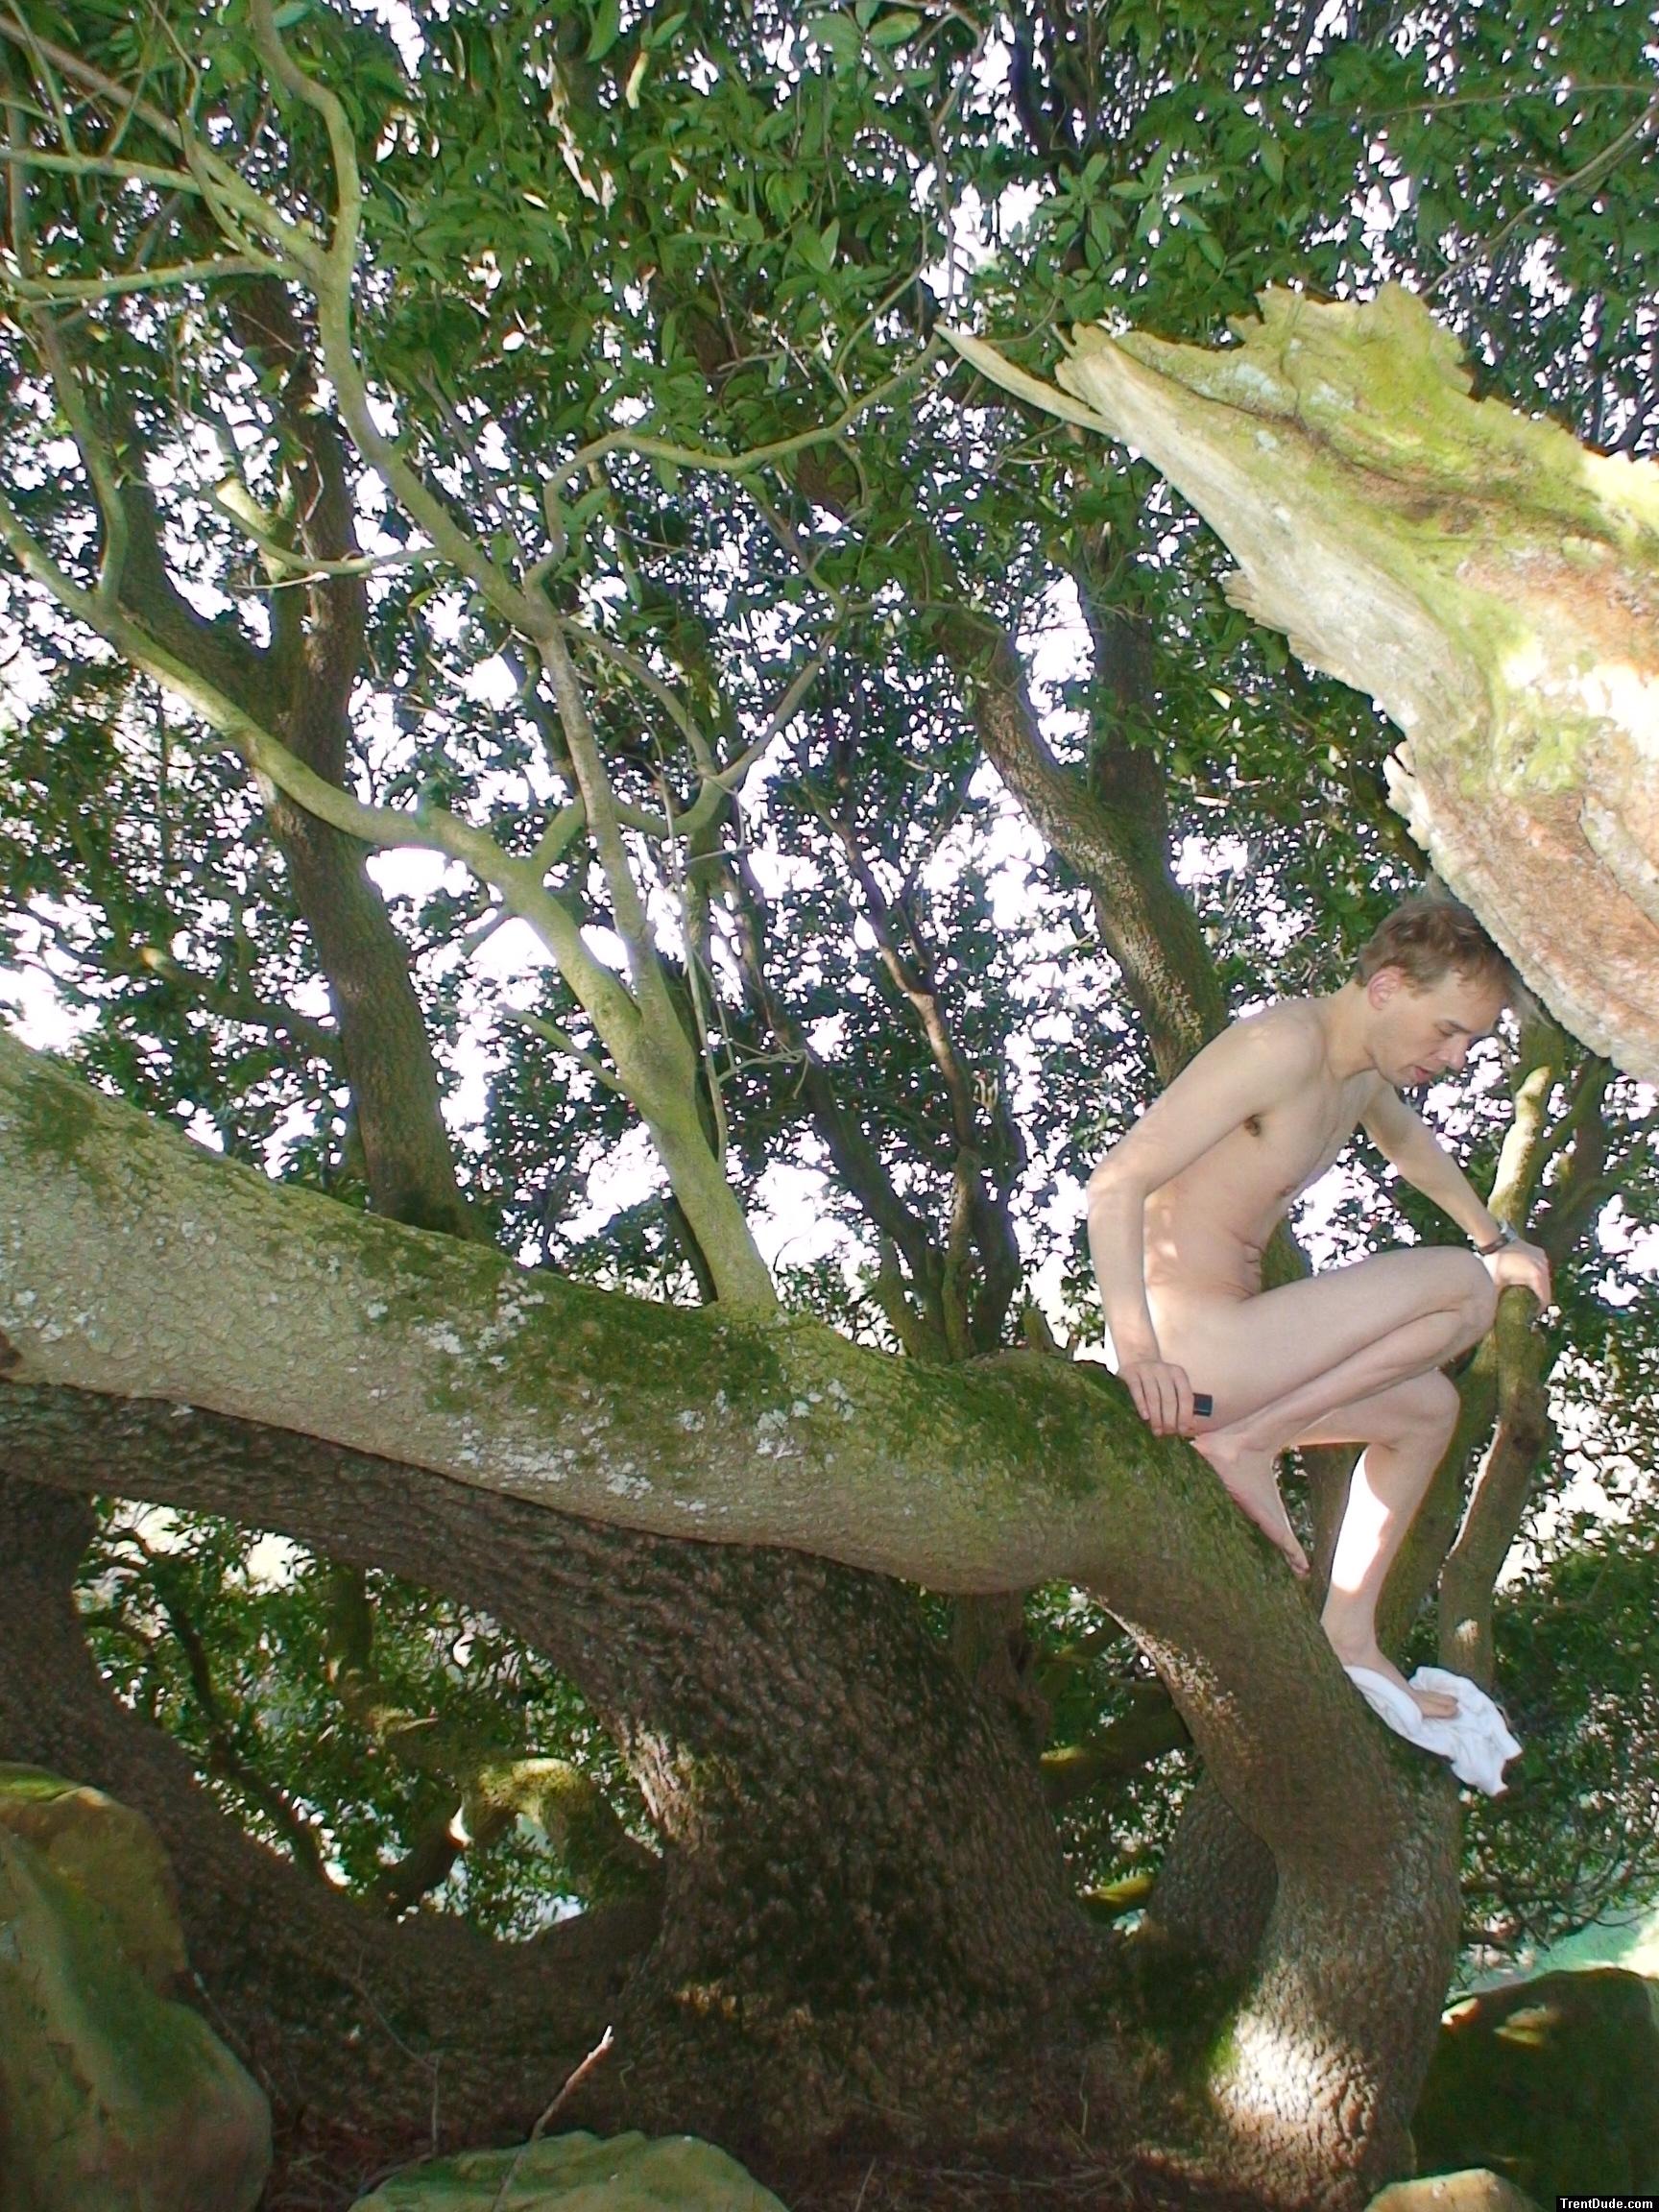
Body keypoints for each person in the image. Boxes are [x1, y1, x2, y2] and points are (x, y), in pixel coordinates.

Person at [1087, 893, 1551, 1719]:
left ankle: (1349, 1634)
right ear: (1388, 989)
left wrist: (1496, 1234)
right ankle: (1249, 1443)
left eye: (1471, 1043)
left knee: (1428, 1411)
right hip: (1191, 1357)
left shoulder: (1360, 1074)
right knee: (1466, 1290)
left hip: (1235, 1364)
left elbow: (1408, 1142)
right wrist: (1139, 1357)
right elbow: (1116, 1182)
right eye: (1448, 1031)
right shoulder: (1281, 1047)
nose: (1455, 1058)